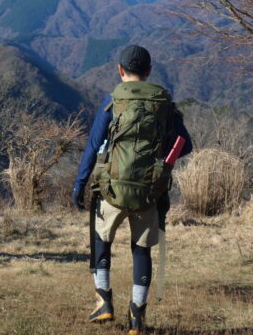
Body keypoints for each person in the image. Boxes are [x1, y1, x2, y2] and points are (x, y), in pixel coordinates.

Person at [71, 45, 192, 335]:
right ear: (149, 71)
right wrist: (162, 159)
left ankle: (104, 302)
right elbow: (186, 144)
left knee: (102, 240)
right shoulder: (164, 104)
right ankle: (136, 318)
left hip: (111, 187)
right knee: (141, 250)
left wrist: (80, 183)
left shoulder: (112, 101)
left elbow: (92, 145)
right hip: (149, 190)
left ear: (120, 70)